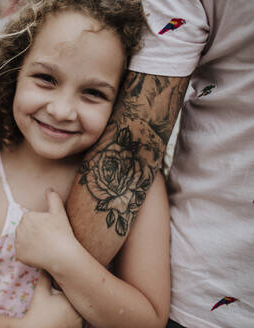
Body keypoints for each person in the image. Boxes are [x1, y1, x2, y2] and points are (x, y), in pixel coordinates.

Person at [0, 1, 170, 327]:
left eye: (93, 93)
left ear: (120, 102)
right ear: (15, 73)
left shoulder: (136, 184)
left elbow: (150, 320)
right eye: (45, 78)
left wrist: (64, 259)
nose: (62, 110)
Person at [62, 1, 254, 327]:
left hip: (204, 294)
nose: (63, 110)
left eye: (93, 93)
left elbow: (131, 149)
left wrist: (58, 269)